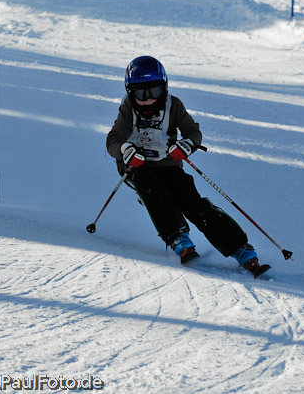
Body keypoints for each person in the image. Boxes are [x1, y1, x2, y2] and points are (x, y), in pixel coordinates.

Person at [106, 55, 268, 276]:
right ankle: (178, 237)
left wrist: (187, 145)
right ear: (129, 92)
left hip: (168, 164)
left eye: (153, 92)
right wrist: (125, 150)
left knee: (190, 199)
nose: (147, 100)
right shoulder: (127, 109)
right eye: (139, 93)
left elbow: (193, 132)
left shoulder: (173, 106)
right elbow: (113, 139)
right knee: (152, 189)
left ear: (163, 88)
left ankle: (240, 248)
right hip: (137, 165)